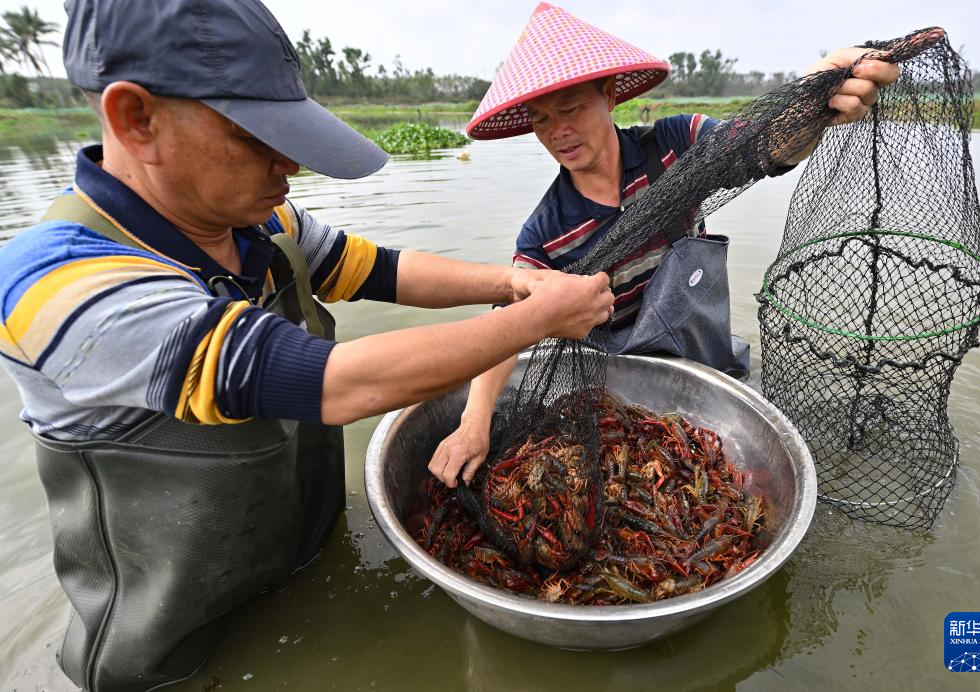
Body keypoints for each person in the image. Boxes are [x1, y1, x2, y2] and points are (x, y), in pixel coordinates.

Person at [0, 1, 614, 689]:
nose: (288, 162)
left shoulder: (259, 219)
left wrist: (513, 283)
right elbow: (333, 383)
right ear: (136, 119)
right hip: (177, 648)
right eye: (258, 134)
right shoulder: (56, 285)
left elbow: (377, 269)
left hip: (300, 553)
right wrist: (536, 321)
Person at [428, 2, 900, 488]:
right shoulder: (545, 232)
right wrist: (473, 423)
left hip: (705, 358)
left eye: (570, 109)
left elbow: (762, 146)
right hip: (614, 387)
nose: (558, 132)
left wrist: (815, 99)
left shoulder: (675, 145)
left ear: (608, 95)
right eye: (542, 119)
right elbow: (505, 325)